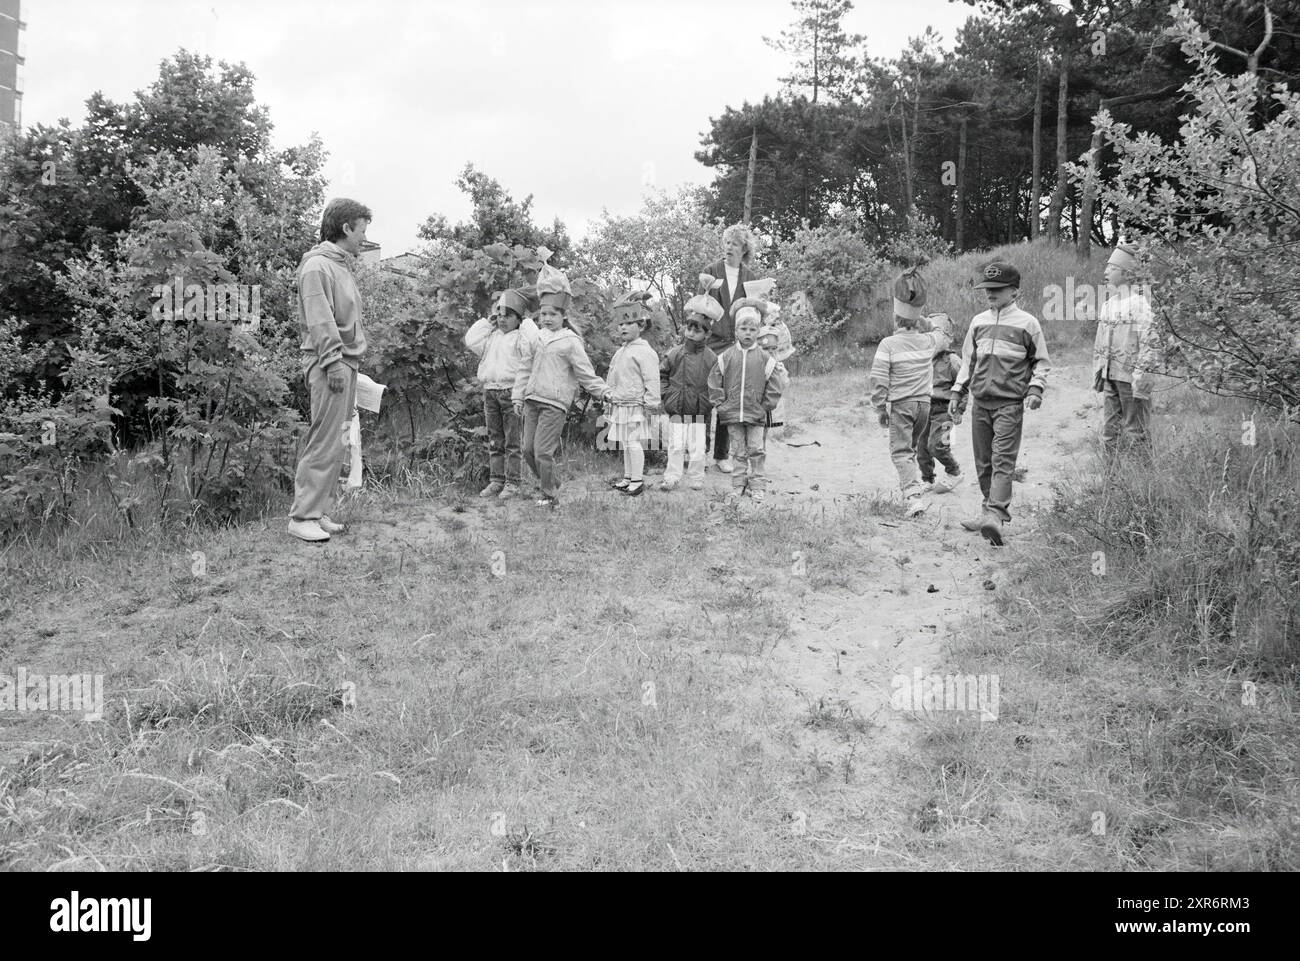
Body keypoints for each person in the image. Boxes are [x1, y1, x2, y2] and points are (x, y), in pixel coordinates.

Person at [288, 198, 372, 543]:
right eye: (362, 230)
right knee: (323, 438)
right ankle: (302, 517)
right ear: (345, 228)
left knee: (338, 440)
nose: (365, 238)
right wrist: (334, 361)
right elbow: (320, 320)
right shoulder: (317, 267)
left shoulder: (340, 265)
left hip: (345, 361)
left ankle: (317, 512)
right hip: (329, 365)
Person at [949, 260, 1050, 546]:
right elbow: (968, 361)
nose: (990, 294)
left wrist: (1035, 389)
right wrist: (958, 391)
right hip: (981, 402)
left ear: (1014, 292)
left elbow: (1041, 361)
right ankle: (987, 511)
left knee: (1002, 460)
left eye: (997, 289)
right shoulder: (978, 322)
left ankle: (996, 514)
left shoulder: (1028, 323)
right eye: (987, 289)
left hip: (1009, 404)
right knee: (983, 462)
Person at [512, 266, 609, 508]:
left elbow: (586, 374)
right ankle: (552, 484)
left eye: (552, 314)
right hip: (532, 401)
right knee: (527, 451)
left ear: (563, 315)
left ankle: (549, 496)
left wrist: (604, 391)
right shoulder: (536, 338)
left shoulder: (571, 341)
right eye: (543, 314)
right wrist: (517, 397)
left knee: (542, 452)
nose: (546, 318)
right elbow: (524, 368)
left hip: (554, 404)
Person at [869, 271, 953, 517]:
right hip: (924, 406)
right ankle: (915, 486)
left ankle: (912, 496)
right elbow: (942, 333)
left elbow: (879, 379)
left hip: (902, 405)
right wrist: (922, 320)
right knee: (912, 448)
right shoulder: (928, 341)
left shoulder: (888, 345)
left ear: (895, 320)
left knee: (901, 451)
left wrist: (879, 407)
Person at [464, 287, 539, 501]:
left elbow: (534, 344)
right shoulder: (491, 337)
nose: (503, 319)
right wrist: (488, 322)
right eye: (500, 315)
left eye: (509, 315)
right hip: (490, 393)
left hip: (512, 393)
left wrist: (525, 323)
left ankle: (513, 482)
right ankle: (496, 480)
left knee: (512, 441)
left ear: (519, 318)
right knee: (495, 439)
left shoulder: (520, 339)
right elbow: (470, 340)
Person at [708, 297, 784, 505]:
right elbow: (714, 381)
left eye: (752, 329)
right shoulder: (726, 357)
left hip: (756, 414)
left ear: (758, 331)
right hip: (732, 414)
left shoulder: (764, 358)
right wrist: (721, 405)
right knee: (738, 451)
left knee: (756, 450)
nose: (748, 333)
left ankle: (758, 485)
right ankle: (738, 485)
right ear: (736, 331)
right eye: (744, 328)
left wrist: (764, 407)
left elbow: (775, 384)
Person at [701, 224, 759, 474]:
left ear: (744, 248)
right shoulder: (710, 271)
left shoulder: (750, 277)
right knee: (704, 398)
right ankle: (698, 452)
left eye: (734, 243)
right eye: (726, 242)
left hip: (736, 344)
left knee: (727, 399)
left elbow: (755, 313)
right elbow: (700, 308)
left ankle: (721, 455)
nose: (728, 247)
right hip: (711, 342)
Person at [1094, 243, 1158, 464]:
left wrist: (1142, 377)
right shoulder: (1108, 305)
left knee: (1135, 430)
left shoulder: (1140, 304)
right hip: (1111, 376)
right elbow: (1100, 343)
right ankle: (1111, 480)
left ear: (1126, 272)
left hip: (1131, 379)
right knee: (1110, 431)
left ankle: (1142, 481)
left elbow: (1149, 342)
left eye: (1111, 268)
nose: (1105, 272)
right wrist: (1100, 371)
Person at [660, 291, 722, 491]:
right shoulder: (674, 353)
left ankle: (696, 477)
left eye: (698, 330)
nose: (692, 333)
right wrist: (666, 395)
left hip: (699, 408)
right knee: (676, 445)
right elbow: (662, 375)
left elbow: (718, 382)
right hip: (677, 406)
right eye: (689, 328)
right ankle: (672, 476)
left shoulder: (712, 358)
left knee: (697, 446)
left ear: (707, 333)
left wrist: (708, 401)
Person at [605, 291, 661, 497]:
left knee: (633, 442)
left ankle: (637, 481)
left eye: (629, 324)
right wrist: (609, 395)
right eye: (621, 324)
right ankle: (628, 476)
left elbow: (652, 379)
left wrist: (652, 404)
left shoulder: (644, 351)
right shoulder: (621, 351)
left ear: (641, 326)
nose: (624, 327)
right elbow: (613, 375)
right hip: (621, 403)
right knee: (625, 443)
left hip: (637, 404)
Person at [916, 312, 965, 494]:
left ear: (947, 338)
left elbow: (963, 385)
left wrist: (959, 410)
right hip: (925, 408)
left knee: (937, 445)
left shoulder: (952, 361)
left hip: (945, 409)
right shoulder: (924, 359)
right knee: (921, 447)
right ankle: (927, 478)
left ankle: (954, 471)